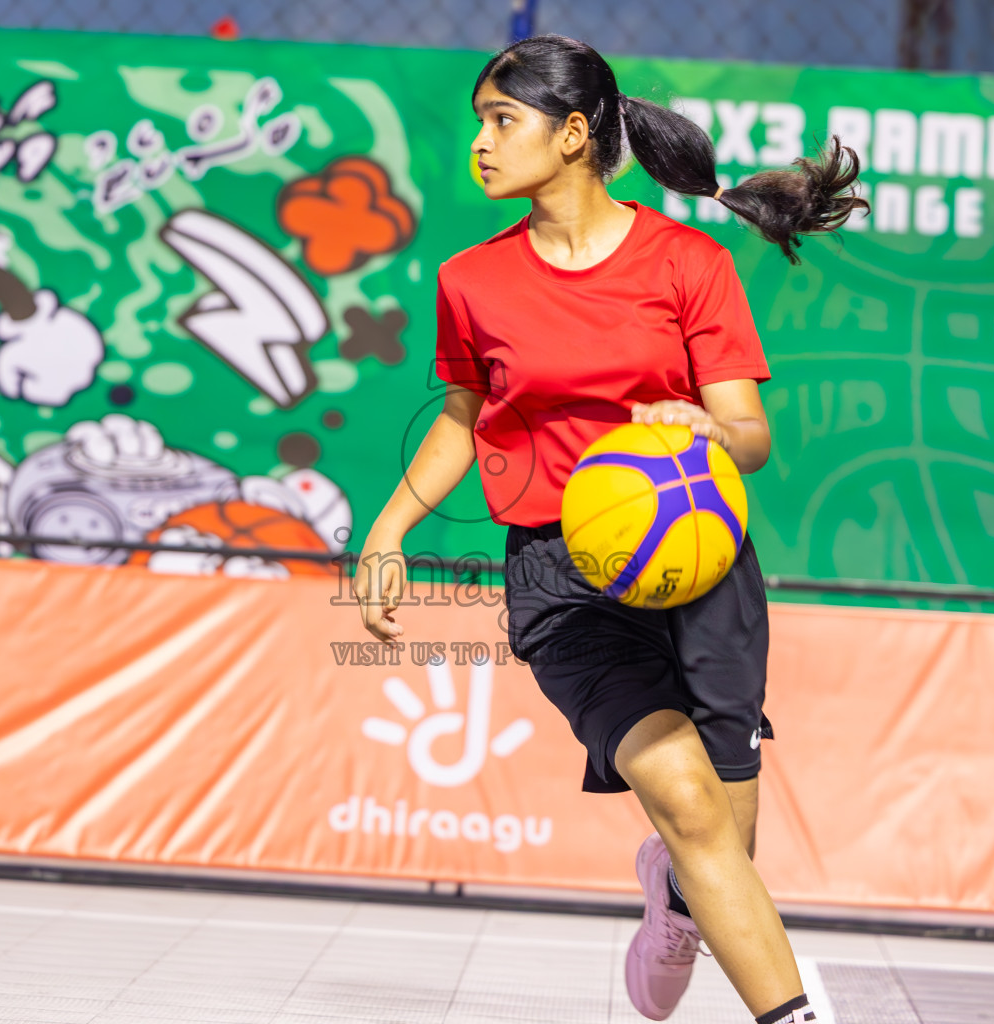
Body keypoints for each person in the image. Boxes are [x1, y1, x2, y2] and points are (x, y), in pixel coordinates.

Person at [356, 34, 865, 1024]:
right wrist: (388, 531)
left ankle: (674, 901)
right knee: (680, 792)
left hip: (700, 563)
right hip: (562, 576)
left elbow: (751, 438)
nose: (483, 145)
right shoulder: (473, 282)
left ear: (576, 132)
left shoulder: (689, 263)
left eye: (503, 121)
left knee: (721, 832)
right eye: (479, 125)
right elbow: (461, 420)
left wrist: (704, 427)